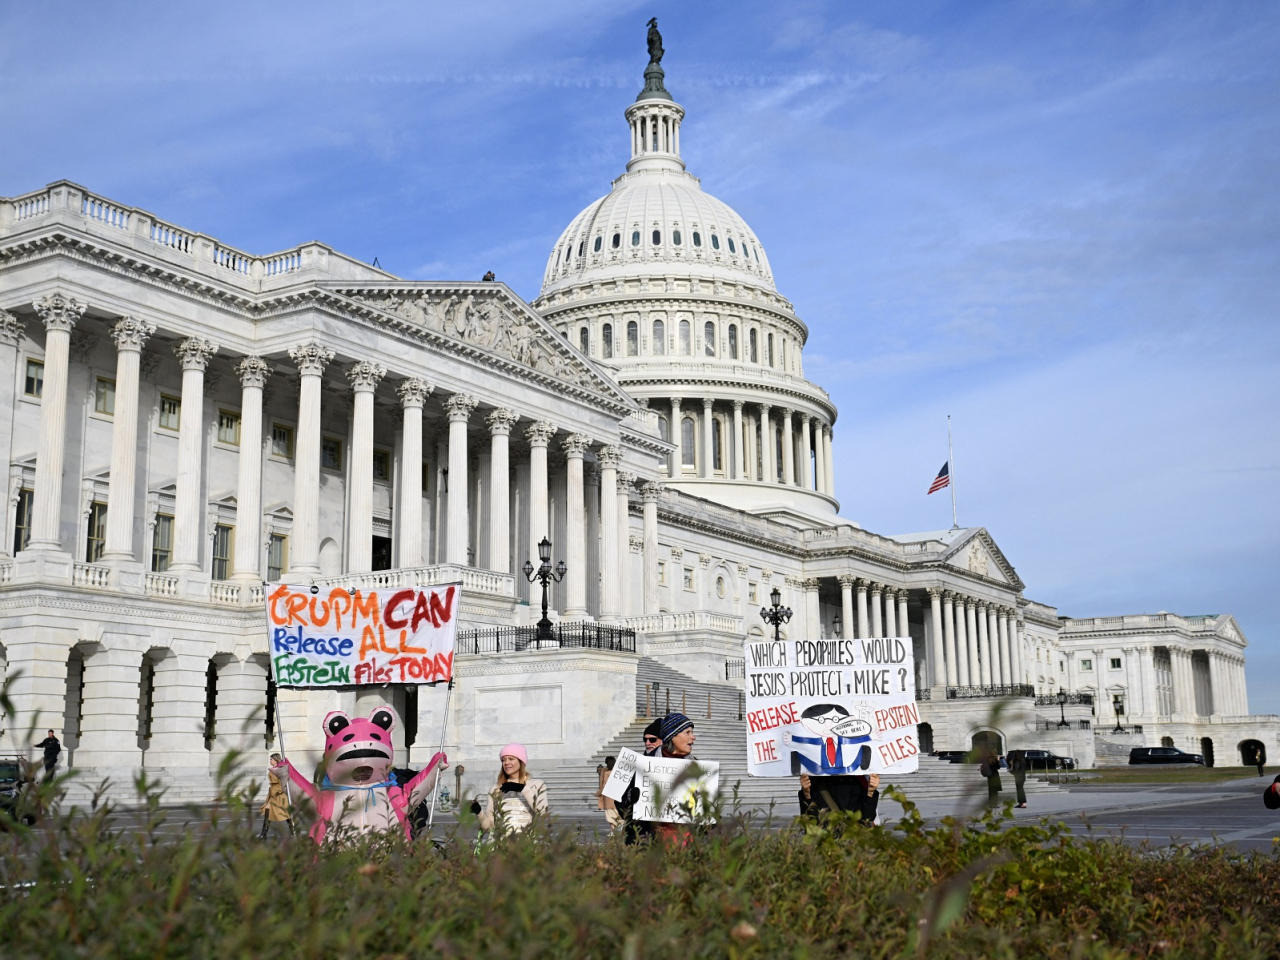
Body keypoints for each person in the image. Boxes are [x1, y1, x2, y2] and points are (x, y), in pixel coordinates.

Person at [471, 743, 547, 840]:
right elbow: (489, 827)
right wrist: (479, 812)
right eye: (503, 760)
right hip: (499, 848)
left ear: (521, 761)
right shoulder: (496, 788)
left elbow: (543, 813)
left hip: (525, 847)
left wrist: (522, 788)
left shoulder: (537, 785)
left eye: (511, 759)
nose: (506, 763)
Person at [620, 719, 664, 844]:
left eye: (652, 739)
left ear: (663, 740)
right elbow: (619, 802)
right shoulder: (637, 763)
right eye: (645, 739)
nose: (647, 743)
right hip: (639, 834)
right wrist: (630, 799)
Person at [798, 772, 880, 825]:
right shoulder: (813, 781)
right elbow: (810, 821)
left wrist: (870, 792)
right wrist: (807, 794)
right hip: (827, 845)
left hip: (851, 845)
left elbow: (865, 819)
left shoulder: (859, 779)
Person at [259, 753, 294, 839]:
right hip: (272, 791)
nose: (270, 761)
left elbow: (284, 779)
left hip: (278, 792)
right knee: (268, 811)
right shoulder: (274, 769)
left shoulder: (280, 769)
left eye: (271, 759)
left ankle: (292, 832)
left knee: (286, 813)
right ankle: (264, 834)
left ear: (275, 760)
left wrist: (280, 789)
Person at [597, 755, 621, 831]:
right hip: (617, 795)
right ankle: (619, 827)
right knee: (617, 812)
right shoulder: (618, 771)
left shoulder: (606, 772)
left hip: (608, 796)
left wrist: (599, 793)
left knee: (609, 814)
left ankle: (613, 830)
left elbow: (604, 784)